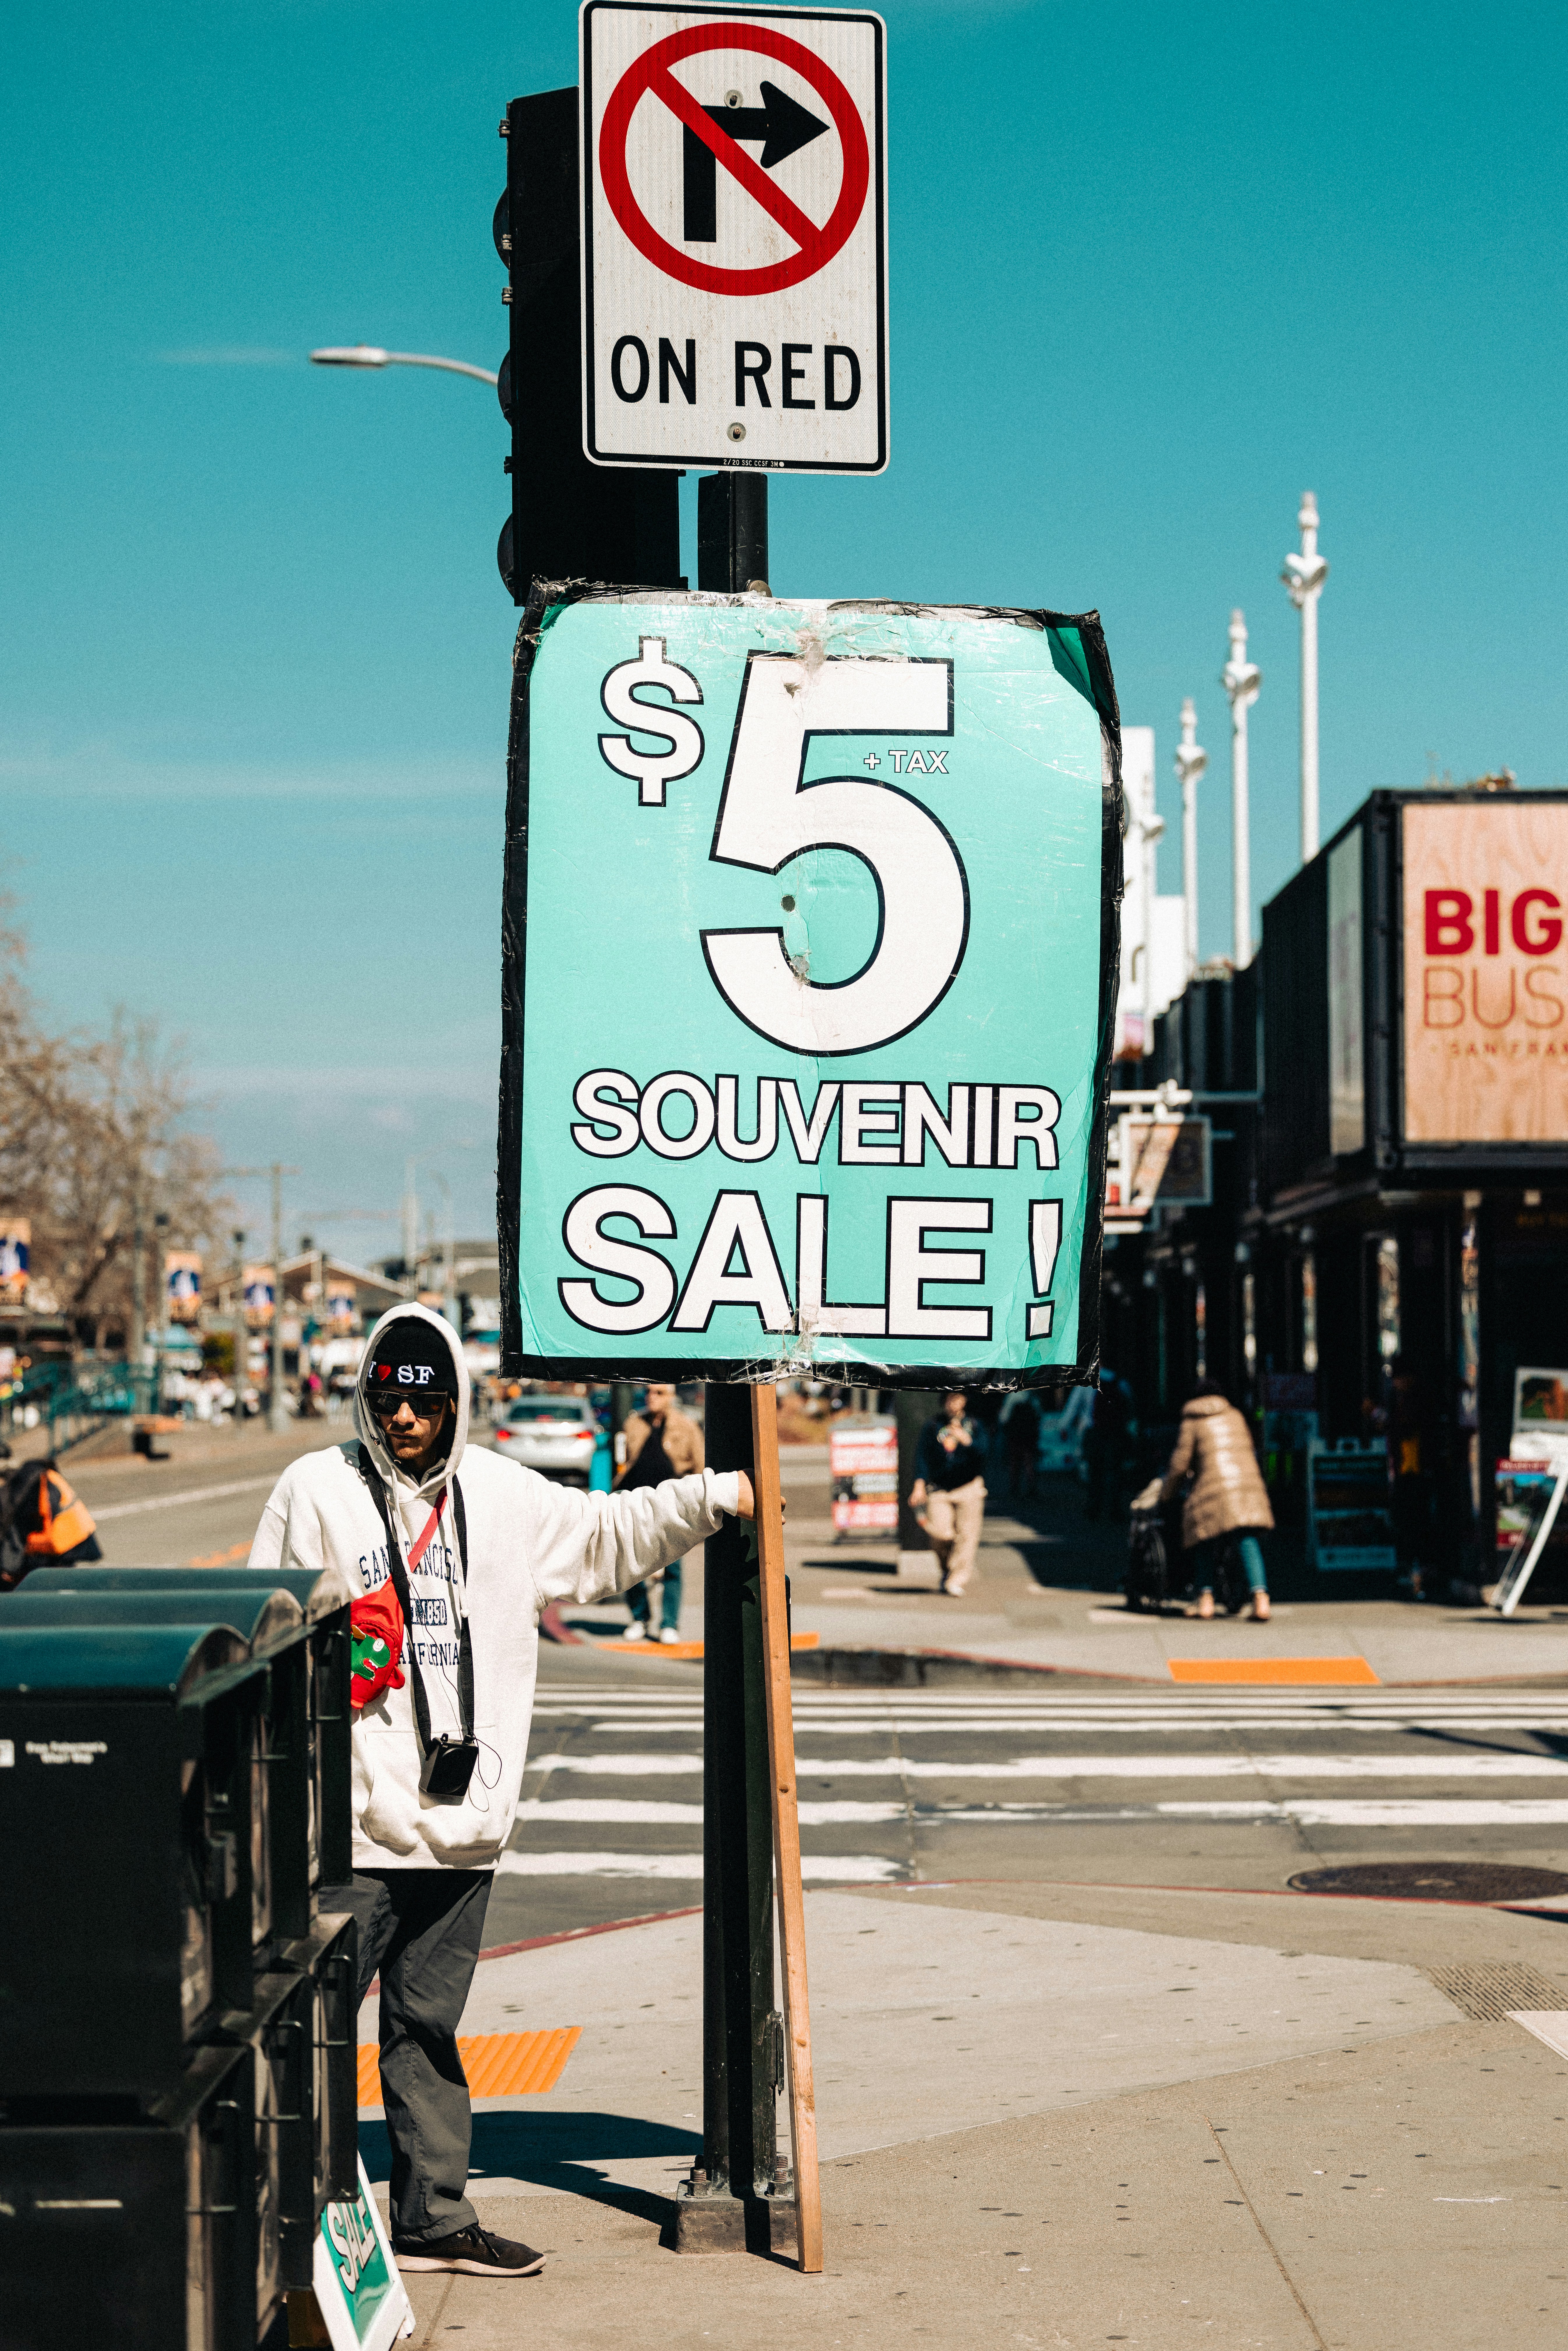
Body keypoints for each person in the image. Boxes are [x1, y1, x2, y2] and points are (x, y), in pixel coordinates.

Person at [248, 1306, 755, 2280]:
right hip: (349, 1828)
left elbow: (612, 1534)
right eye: (388, 1403)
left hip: (464, 1825)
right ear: (364, 1398)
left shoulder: (504, 1497)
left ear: (455, 1407)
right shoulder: (315, 1490)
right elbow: (262, 1625)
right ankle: (290, 2226)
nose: (404, 1422)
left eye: (425, 1405)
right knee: (311, 2037)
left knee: (426, 2033)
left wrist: (720, 1496)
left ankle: (432, 2218)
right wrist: (330, 1646)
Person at [1160, 1379, 1273, 1620]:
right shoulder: (1235, 1415)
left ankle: (1206, 1599)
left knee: (1202, 1537)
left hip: (1212, 1488)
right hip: (1246, 1486)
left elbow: (1180, 1465)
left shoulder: (1193, 1421)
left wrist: (1166, 1495)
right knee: (1246, 1537)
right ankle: (1261, 1599)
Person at [616, 1381, 703, 1643]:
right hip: (635, 1503)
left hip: (670, 1505)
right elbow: (620, 1463)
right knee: (631, 1563)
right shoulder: (634, 1424)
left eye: (659, 1393)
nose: (652, 1397)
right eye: (648, 1392)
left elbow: (699, 1466)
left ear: (671, 1397)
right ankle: (639, 1618)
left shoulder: (686, 1425)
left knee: (673, 1566)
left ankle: (669, 1624)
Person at [909, 1390, 987, 1594]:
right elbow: (922, 1457)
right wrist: (919, 1485)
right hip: (940, 1488)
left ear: (965, 1400)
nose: (953, 1403)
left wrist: (967, 1441)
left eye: (958, 1398)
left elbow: (985, 1452)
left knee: (967, 1536)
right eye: (949, 1398)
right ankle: (946, 1569)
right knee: (941, 1533)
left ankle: (957, 1579)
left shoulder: (974, 1424)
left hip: (969, 1487)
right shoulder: (934, 1425)